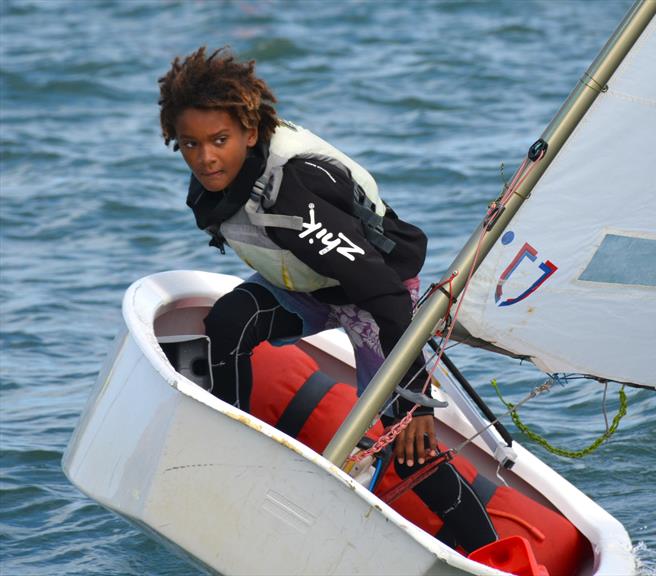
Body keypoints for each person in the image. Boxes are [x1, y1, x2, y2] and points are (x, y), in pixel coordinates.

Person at [157, 46, 496, 552]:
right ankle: (225, 457)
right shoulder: (220, 176)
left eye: (219, 141)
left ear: (250, 133)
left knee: (407, 443)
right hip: (305, 287)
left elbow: (383, 297)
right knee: (228, 320)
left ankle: (490, 552)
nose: (204, 157)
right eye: (189, 144)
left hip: (374, 301)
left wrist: (416, 401)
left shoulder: (292, 194)